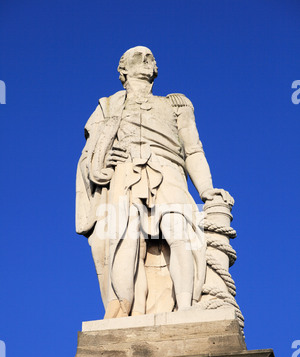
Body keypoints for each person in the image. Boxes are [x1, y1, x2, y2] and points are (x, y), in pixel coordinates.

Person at [76, 46, 233, 318]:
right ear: (123, 70)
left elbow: (193, 150)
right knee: (126, 240)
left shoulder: (177, 104)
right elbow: (90, 154)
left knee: (179, 232)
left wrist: (207, 189)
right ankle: (124, 310)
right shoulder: (108, 106)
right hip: (124, 175)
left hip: (168, 170)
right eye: (139, 57)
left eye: (151, 57)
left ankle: (185, 308)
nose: (148, 61)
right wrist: (100, 163)